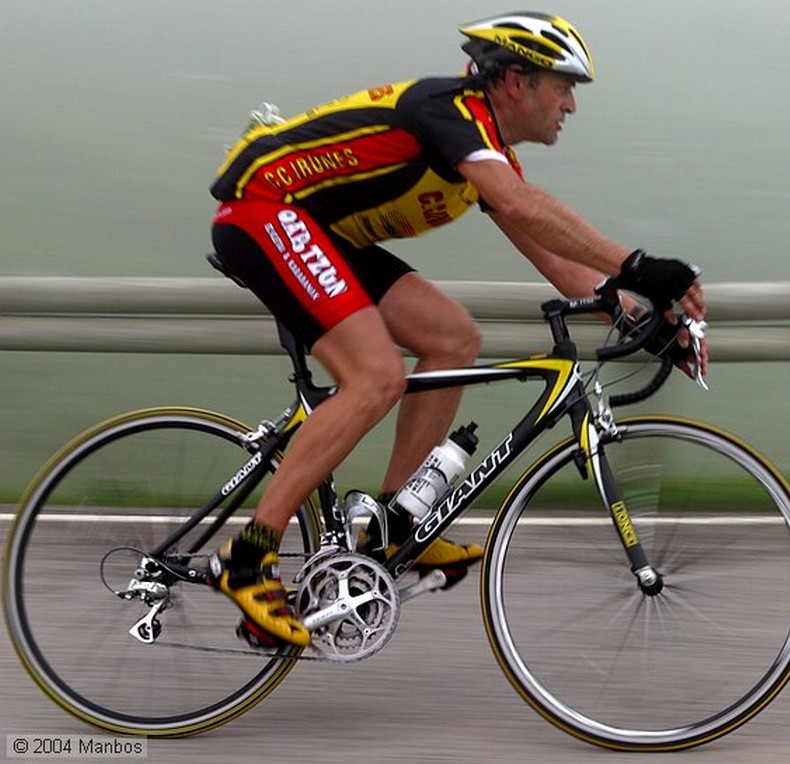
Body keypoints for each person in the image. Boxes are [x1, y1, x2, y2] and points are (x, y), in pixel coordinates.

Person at [206, 11, 707, 648]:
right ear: (517, 82)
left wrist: (637, 311)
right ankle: (248, 559)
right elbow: (529, 208)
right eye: (564, 86)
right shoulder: (451, 112)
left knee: (452, 338)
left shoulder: (483, 151)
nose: (572, 106)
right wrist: (639, 264)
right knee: (375, 377)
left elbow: (552, 254)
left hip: (323, 234)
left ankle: (391, 525)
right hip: (264, 213)